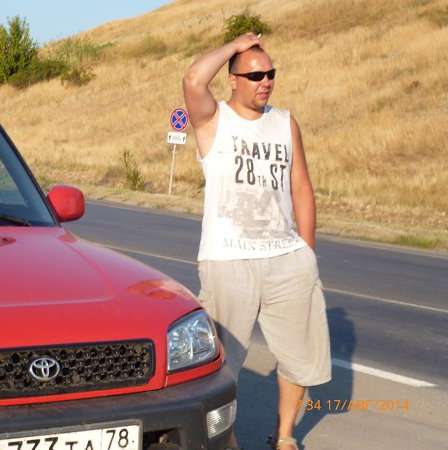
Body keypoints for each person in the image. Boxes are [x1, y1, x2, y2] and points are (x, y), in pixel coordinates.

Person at [182, 32, 332, 450]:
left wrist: (306, 252)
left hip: (286, 258)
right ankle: (227, 439)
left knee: (299, 357)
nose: (265, 81)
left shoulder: (285, 122)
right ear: (233, 80)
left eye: (270, 74)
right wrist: (234, 46)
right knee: (221, 363)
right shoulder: (213, 121)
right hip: (228, 260)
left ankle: (285, 437)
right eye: (254, 75)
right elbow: (193, 79)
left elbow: (301, 187)